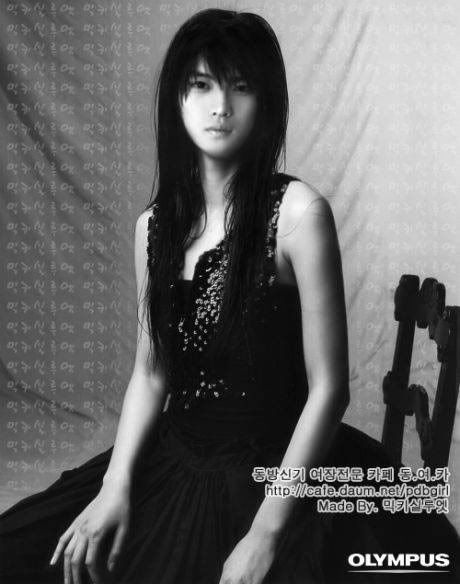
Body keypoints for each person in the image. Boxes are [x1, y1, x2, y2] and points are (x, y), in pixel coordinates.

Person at [0, 8, 459, 584]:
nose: (220, 106)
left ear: (266, 103)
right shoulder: (152, 227)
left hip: (278, 473)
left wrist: (265, 535)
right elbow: (150, 373)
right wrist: (114, 486)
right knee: (27, 552)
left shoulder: (299, 215)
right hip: (176, 455)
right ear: (177, 99)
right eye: (201, 85)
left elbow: (330, 389)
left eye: (240, 87)